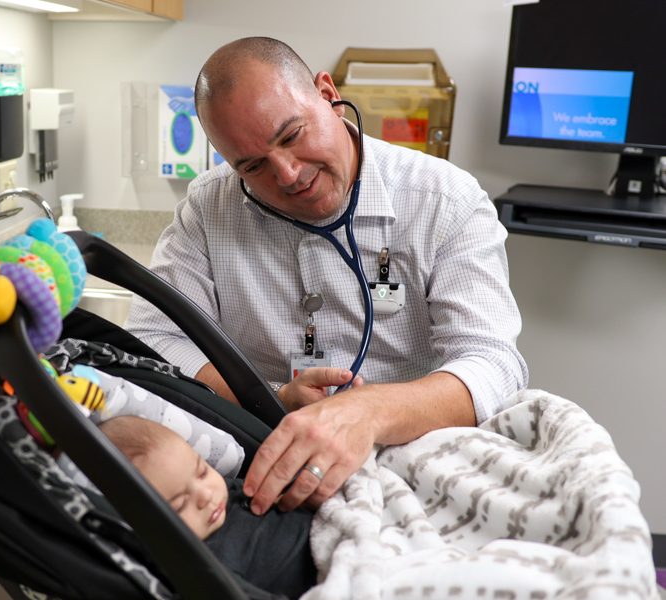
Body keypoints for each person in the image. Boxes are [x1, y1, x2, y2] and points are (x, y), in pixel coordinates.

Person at [124, 37, 528, 519]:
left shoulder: (445, 201)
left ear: (327, 94)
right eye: (253, 166)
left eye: (291, 135)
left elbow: (492, 362)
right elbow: (152, 339)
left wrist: (368, 413)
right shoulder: (211, 207)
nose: (289, 175)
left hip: (416, 467)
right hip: (272, 465)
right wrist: (268, 397)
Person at [99, 415, 317, 598]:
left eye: (202, 471)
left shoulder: (230, 490)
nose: (206, 494)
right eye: (181, 504)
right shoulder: (209, 565)